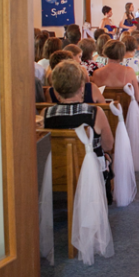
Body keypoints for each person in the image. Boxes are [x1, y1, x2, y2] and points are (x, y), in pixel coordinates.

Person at [44, 60, 115, 202]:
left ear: (56, 90)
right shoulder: (95, 112)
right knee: (106, 157)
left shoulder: (46, 113)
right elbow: (108, 146)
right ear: (82, 87)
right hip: (90, 174)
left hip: (57, 173)